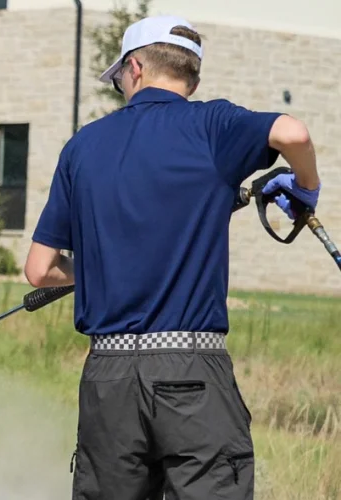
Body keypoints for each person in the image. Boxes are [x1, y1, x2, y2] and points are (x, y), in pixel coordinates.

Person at [24, 15, 321, 500]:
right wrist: (307, 189)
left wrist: (105, 269)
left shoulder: (81, 147)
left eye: (119, 75)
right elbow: (294, 134)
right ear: (193, 79)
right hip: (192, 371)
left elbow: (39, 269)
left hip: (107, 377)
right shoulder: (212, 126)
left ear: (135, 68)